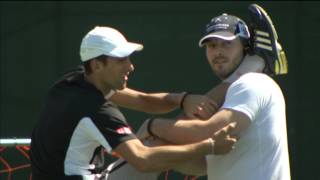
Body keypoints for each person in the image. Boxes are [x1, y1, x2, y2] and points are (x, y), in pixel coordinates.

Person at [29, 26, 237, 180]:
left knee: (156, 136)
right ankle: (248, 70)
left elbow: (143, 101)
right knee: (154, 142)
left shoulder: (76, 80)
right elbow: (144, 160)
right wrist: (208, 146)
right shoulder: (97, 109)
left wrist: (182, 99)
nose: (130, 66)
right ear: (97, 64)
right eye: (121, 59)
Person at [137, 4, 291, 180]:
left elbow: (208, 131)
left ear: (245, 47)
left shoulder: (253, 83)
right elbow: (203, 165)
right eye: (212, 45)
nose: (218, 52)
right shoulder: (234, 93)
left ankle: (257, 62)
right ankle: (257, 62)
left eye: (227, 44)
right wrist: (161, 151)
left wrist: (151, 126)